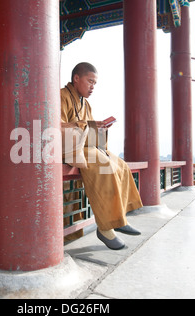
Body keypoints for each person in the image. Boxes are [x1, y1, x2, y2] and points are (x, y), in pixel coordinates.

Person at [61, 62, 143, 250]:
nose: (92, 87)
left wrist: (99, 127)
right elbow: (57, 125)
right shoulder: (61, 96)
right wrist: (87, 125)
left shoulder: (86, 103)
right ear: (76, 78)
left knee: (120, 164)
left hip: (86, 146)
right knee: (104, 164)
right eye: (90, 81)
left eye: (95, 84)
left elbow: (87, 129)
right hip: (69, 148)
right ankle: (105, 229)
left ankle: (119, 218)